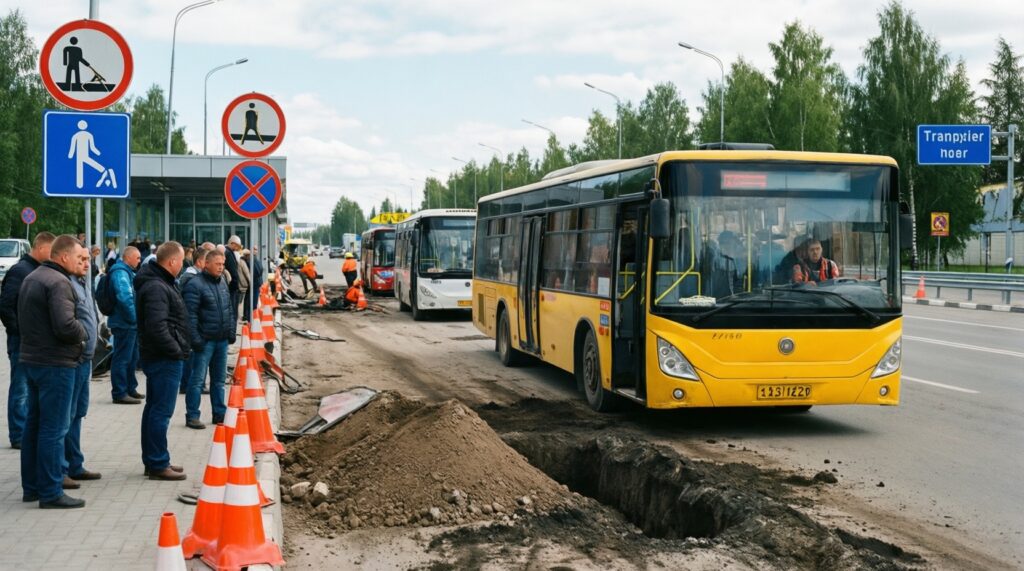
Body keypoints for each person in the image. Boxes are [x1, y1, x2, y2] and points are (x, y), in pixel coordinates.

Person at [18, 235, 88, 509]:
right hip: (56, 364)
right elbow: (65, 325)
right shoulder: (59, 282)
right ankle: (50, 491)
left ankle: (32, 487)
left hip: (33, 361)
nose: (80, 260)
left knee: (34, 425)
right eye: (76, 256)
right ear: (63, 257)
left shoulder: (34, 277)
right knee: (54, 429)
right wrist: (84, 333)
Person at [135, 242, 190, 481]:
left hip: (159, 356)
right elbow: (157, 327)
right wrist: (176, 349)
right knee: (160, 411)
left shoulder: (160, 282)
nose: (182, 264)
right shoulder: (157, 286)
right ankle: (158, 462)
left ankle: (154, 459)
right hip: (163, 358)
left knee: (154, 408)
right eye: (181, 260)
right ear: (171, 262)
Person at [0, 232, 55, 449]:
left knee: (29, 388)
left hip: (33, 342)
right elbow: (6, 306)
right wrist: (20, 333)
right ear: (40, 248)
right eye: (51, 251)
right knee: (21, 388)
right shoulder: (20, 271)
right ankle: (18, 435)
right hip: (21, 341)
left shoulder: (35, 270)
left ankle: (25, 431)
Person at [182, 250, 233, 429]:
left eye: (223, 264)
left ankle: (219, 413)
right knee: (197, 380)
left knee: (219, 381)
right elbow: (190, 316)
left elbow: (229, 308)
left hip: (221, 340)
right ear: (207, 264)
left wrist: (231, 332)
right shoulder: (195, 285)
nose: (221, 267)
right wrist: (196, 340)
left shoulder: (222, 283)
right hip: (205, 342)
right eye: (218, 264)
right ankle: (192, 415)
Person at [65, 241, 101, 484]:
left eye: (88, 259)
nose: (87, 264)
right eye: (81, 259)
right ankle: (62, 468)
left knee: (78, 413)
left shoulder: (82, 283)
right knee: (65, 417)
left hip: (85, 359)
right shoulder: (65, 284)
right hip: (73, 359)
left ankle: (75, 463)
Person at [108, 246, 144, 404]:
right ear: (128, 257)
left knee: (131, 357)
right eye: (137, 258)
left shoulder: (127, 271)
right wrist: (135, 319)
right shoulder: (120, 272)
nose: (139, 261)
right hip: (124, 323)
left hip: (129, 323)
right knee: (122, 358)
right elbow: (125, 298)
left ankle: (130, 388)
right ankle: (120, 392)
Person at [177, 248, 208, 396]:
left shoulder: (193, 276)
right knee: (190, 355)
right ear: (200, 261)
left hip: (193, 322)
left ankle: (189, 383)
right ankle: (187, 384)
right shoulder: (191, 278)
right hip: (189, 322)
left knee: (192, 354)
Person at [224, 236, 243, 322]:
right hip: (232, 287)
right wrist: (235, 284)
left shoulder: (230, 253)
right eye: (237, 246)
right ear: (232, 243)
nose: (238, 249)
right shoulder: (228, 253)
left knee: (234, 312)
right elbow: (232, 271)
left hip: (233, 286)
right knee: (233, 312)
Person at [237, 248, 252, 322]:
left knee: (239, 301)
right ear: (247, 256)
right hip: (243, 284)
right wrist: (250, 282)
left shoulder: (240, 261)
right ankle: (239, 317)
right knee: (240, 302)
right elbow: (247, 273)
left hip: (240, 284)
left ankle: (238, 316)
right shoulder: (243, 262)